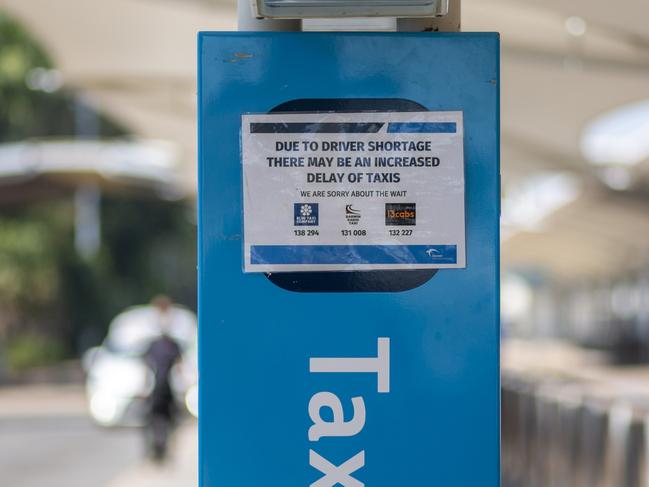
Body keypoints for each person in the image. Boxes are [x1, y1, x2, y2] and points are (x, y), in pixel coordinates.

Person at [142, 295, 183, 461]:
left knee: (170, 421)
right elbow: (146, 368)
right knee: (152, 420)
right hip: (156, 388)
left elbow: (179, 368)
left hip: (168, 388)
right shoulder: (153, 344)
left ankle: (165, 451)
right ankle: (155, 451)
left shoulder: (173, 344)